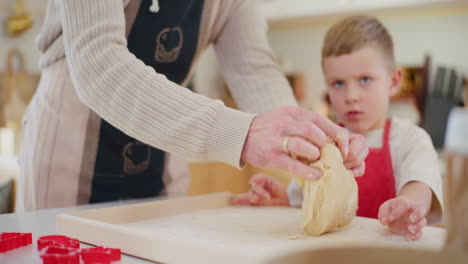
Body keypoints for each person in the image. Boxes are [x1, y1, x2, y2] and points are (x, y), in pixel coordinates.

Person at [17, 0, 368, 211]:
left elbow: (254, 70)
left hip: (161, 171)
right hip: (66, 166)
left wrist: (307, 141)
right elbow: (98, 62)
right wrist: (241, 133)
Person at [233, 15, 443, 241]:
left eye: (365, 80)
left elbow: (420, 184)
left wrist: (408, 206)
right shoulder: (318, 143)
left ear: (393, 81)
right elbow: (302, 202)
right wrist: (283, 200)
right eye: (338, 84)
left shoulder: (410, 139)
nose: (351, 97)